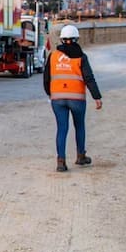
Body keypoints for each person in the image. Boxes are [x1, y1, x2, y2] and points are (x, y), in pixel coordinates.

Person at [43, 25, 103, 172]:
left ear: (62, 39)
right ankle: (81, 156)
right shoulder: (81, 56)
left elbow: (46, 78)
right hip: (77, 98)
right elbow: (89, 78)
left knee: (62, 128)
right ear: (76, 38)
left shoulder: (53, 55)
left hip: (57, 99)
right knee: (79, 126)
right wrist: (97, 97)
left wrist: (49, 94)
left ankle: (61, 161)